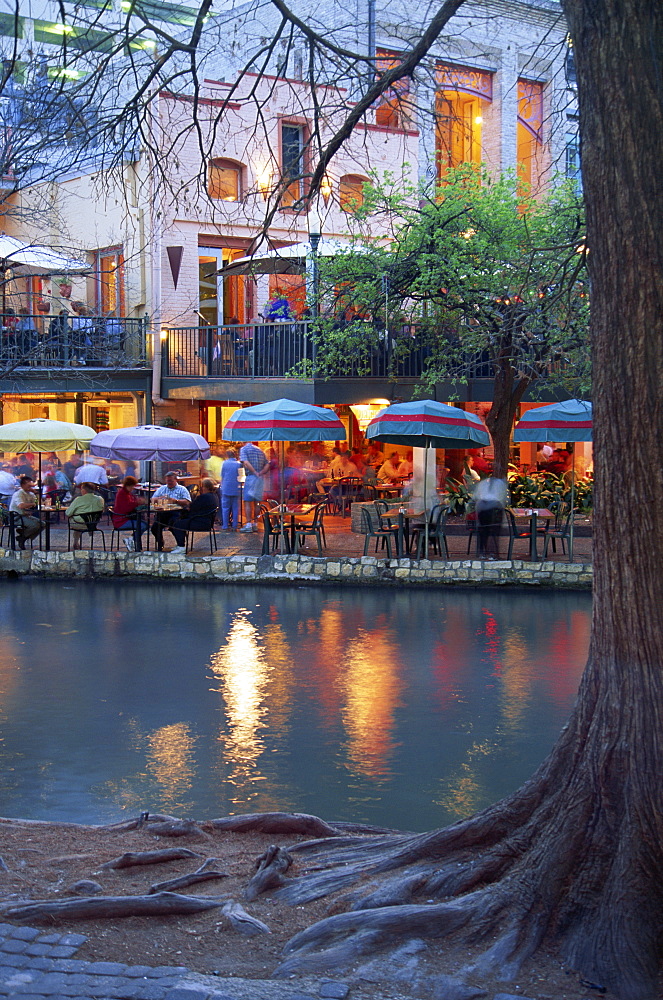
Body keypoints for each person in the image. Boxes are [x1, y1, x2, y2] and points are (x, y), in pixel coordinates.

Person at [169, 478, 219, 553]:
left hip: (199, 522)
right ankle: (180, 543)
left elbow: (192, 507)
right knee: (174, 522)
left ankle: (181, 546)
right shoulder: (214, 496)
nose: (202, 488)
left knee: (177, 524)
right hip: (207, 522)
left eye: (203, 486)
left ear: (206, 487)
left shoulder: (203, 497)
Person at [149, 471, 191, 550]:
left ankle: (180, 545)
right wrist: (160, 499)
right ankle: (160, 542)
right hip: (163, 512)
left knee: (175, 525)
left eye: (171, 481)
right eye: (167, 481)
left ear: (176, 480)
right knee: (155, 527)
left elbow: (187, 502)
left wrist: (175, 501)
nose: (169, 483)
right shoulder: (162, 488)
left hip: (177, 513)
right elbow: (152, 499)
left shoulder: (182, 489)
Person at [473, 476, 508, 559]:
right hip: (495, 507)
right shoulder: (501, 483)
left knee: (483, 531)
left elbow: (475, 496)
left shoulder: (483, 482)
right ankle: (493, 553)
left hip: (482, 507)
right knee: (495, 531)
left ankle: (482, 552)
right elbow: (503, 498)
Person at [112, 475, 148, 551]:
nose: (133, 488)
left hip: (124, 518)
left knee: (144, 524)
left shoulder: (126, 493)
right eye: (132, 486)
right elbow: (127, 508)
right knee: (143, 525)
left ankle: (132, 540)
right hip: (121, 520)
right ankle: (131, 539)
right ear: (129, 485)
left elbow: (131, 503)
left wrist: (137, 501)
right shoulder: (122, 494)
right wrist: (137, 502)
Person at [65, 482, 105, 549]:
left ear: (84, 490)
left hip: (80, 524)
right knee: (80, 518)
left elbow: (68, 513)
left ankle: (75, 542)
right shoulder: (100, 499)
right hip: (93, 523)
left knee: (74, 518)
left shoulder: (78, 499)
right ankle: (77, 542)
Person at [239, 441, 267, 532]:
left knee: (247, 501)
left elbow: (246, 462)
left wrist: (254, 472)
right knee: (257, 502)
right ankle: (255, 523)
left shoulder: (244, 449)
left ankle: (248, 525)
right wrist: (261, 473)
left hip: (251, 477)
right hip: (260, 478)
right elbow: (267, 464)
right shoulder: (260, 450)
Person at [9, 476, 45, 548]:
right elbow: (21, 505)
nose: (30, 487)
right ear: (23, 485)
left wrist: (36, 493)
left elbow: (40, 504)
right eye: (28, 486)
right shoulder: (18, 494)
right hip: (16, 516)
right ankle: (23, 536)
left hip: (25, 515)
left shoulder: (31, 494)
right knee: (35, 525)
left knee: (43, 524)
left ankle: (23, 537)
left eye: (31, 486)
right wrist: (32, 504)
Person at [219, 448, 242, 530]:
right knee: (235, 508)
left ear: (227, 455)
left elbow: (222, 475)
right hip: (236, 488)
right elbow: (241, 476)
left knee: (225, 508)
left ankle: (225, 525)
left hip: (226, 487)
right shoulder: (238, 464)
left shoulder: (224, 463)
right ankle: (234, 525)